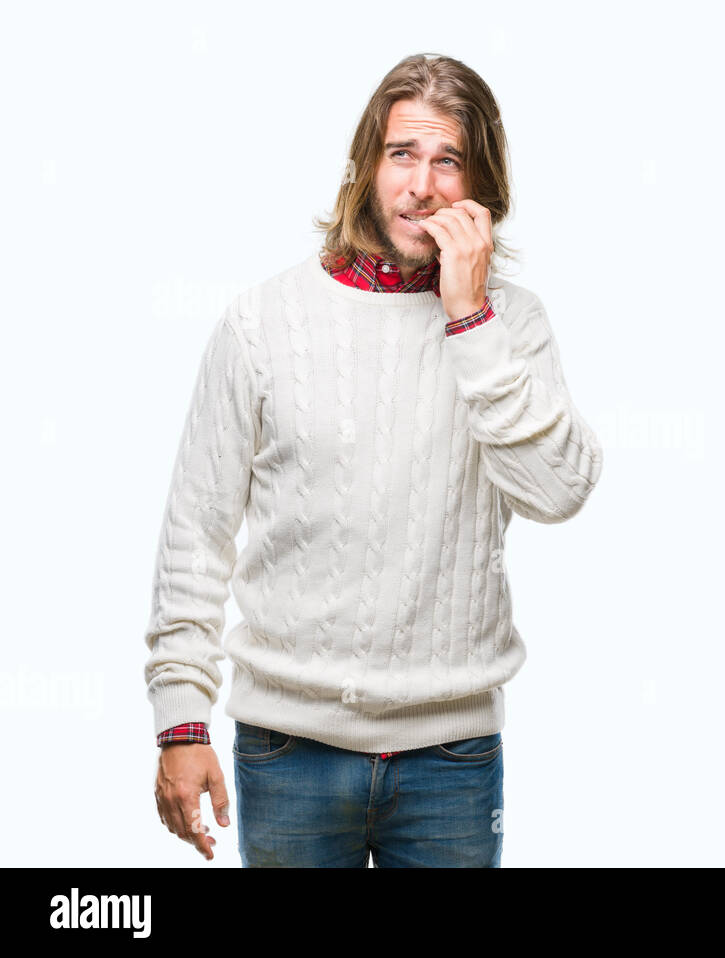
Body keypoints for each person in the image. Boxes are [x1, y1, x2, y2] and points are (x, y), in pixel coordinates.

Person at [145, 53, 603, 867]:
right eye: (402, 156)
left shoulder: (513, 326)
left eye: (447, 161)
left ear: (480, 188)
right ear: (366, 167)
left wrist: (469, 318)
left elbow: (559, 492)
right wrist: (181, 721)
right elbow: (196, 531)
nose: (421, 186)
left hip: (451, 758)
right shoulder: (263, 321)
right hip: (290, 748)